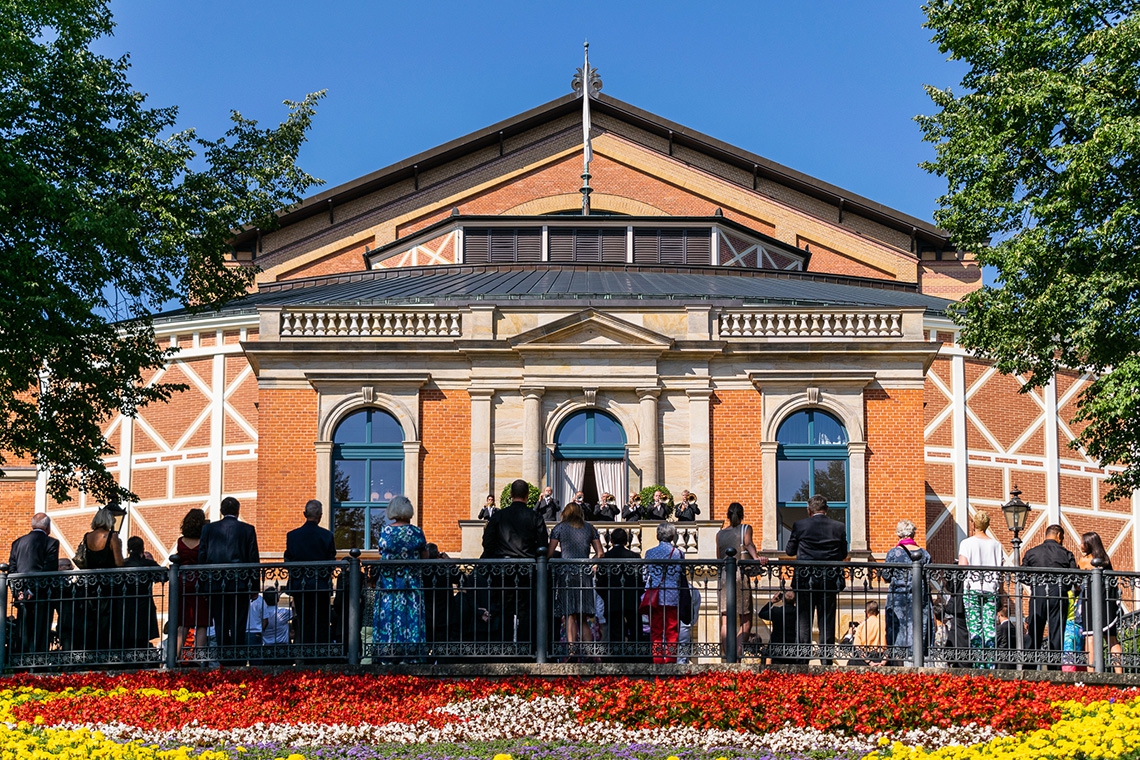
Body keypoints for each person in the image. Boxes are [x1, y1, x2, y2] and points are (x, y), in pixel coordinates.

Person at [481, 479, 549, 650]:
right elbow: (542, 545)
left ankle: (504, 648)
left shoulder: (498, 516)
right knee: (526, 611)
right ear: (527, 496)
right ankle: (526, 649)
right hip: (527, 570)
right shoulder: (535, 517)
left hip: (503, 570)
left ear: (511, 495)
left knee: (503, 609)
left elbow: (487, 542)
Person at [785, 494, 848, 665]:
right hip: (829, 579)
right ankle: (826, 661)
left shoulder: (800, 525)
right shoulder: (839, 527)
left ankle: (803, 659)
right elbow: (843, 554)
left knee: (804, 620)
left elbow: (789, 551)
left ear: (809, 510)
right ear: (826, 510)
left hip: (805, 579)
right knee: (827, 621)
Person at [198, 496, 260, 663]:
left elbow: (202, 558)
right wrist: (254, 587)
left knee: (220, 623)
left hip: (216, 583)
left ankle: (224, 658)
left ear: (221, 511)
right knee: (239, 623)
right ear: (238, 511)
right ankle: (237, 659)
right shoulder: (247, 529)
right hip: (240, 583)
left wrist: (204, 586)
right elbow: (253, 558)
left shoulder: (208, 530)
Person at [546, 500, 604, 660]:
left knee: (569, 613)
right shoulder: (590, 528)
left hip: (566, 574)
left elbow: (549, 553)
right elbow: (600, 553)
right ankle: (590, 651)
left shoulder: (560, 528)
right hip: (584, 574)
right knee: (582, 615)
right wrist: (592, 566)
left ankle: (572, 651)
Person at [373, 495, 429, 656]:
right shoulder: (417, 532)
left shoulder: (386, 531)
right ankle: (411, 654)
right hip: (411, 583)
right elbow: (425, 555)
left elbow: (381, 552)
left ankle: (387, 653)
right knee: (411, 616)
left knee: (388, 615)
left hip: (389, 583)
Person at [1022, 524, 1077, 669]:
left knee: (1034, 630)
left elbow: (1021, 574)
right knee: (1057, 632)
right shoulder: (1066, 553)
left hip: (1039, 593)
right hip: (1058, 594)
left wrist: (1034, 583)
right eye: (1062, 538)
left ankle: (1029, 667)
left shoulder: (1032, 552)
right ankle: (1054, 668)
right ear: (1059, 536)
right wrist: (1064, 585)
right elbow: (1074, 577)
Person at [284, 499, 337, 649]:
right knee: (321, 621)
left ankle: (304, 652)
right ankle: (319, 653)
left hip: (300, 586)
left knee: (302, 619)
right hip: (320, 585)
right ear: (320, 515)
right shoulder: (327, 536)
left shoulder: (293, 535)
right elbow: (331, 560)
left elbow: (288, 559)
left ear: (304, 514)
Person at [8, 513, 60, 655]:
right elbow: (49, 568)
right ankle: (37, 661)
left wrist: (18, 591)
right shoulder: (51, 543)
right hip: (41, 594)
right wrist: (31, 590)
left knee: (23, 629)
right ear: (47, 526)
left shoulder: (18, 542)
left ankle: (21, 661)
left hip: (21, 596)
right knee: (40, 629)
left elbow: (12, 569)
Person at [957, 510, 1004, 661]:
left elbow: (963, 567)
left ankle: (978, 663)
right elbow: (1000, 569)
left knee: (975, 628)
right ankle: (990, 663)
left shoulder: (967, 543)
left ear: (973, 524)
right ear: (988, 525)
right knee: (990, 628)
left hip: (972, 588)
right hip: (991, 589)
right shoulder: (996, 545)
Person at [716, 502, 761, 658]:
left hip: (723, 576)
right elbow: (748, 544)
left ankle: (728, 654)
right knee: (745, 619)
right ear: (742, 515)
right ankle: (737, 653)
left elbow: (718, 557)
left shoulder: (719, 534)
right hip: (739, 574)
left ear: (727, 515)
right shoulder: (745, 528)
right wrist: (756, 558)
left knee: (725, 619)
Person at [77, 507, 125, 653]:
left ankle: (91, 651)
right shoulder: (112, 537)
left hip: (91, 583)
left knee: (92, 619)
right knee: (108, 620)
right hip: (108, 584)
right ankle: (107, 651)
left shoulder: (87, 537)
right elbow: (118, 562)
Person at [1078, 531, 1123, 673]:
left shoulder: (1084, 561)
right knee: (1111, 639)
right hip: (1107, 602)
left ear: (1089, 543)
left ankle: (1092, 673)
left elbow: (1078, 583)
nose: (1080, 545)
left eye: (1082, 542)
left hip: (1091, 601)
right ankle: (1119, 672)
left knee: (1090, 637)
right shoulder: (1105, 560)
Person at [884, 519, 931, 655]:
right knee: (917, 626)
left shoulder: (893, 553)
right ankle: (917, 655)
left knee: (897, 628)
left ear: (899, 534)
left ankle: (898, 654)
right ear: (913, 534)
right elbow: (929, 577)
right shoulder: (924, 554)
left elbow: (886, 576)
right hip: (919, 597)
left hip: (898, 597)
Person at [642, 522, 685, 664]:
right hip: (672, 595)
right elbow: (681, 574)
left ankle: (657, 660)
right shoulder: (678, 553)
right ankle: (671, 660)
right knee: (672, 630)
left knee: (656, 630)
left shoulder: (650, 552)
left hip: (655, 595)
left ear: (657, 536)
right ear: (673, 536)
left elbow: (644, 574)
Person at [597, 528, 642, 661]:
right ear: (627, 541)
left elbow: (600, 582)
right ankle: (636, 656)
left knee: (615, 630)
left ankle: (616, 657)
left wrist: (607, 596)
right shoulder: (635, 556)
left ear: (611, 541)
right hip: (631, 597)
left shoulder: (606, 557)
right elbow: (640, 580)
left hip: (613, 598)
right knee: (635, 628)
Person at [175, 508, 210, 660]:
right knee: (201, 623)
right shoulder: (203, 541)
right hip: (199, 582)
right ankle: (199, 657)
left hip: (183, 582)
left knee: (182, 623)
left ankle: (176, 656)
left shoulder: (180, 541)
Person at [119, 536, 160, 650]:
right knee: (142, 635)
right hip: (144, 602)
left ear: (128, 549)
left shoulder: (122, 564)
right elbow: (163, 576)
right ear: (142, 548)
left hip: (126, 603)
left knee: (127, 634)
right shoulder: (147, 564)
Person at [756, 591, 797, 664]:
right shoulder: (798, 612)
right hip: (793, 647)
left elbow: (761, 614)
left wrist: (772, 602)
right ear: (795, 600)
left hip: (776, 646)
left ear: (782, 599)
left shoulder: (776, 611)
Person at [850, 600, 888, 667]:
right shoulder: (884, 624)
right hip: (881, 656)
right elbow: (889, 647)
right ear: (878, 612)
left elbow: (858, 648)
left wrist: (870, 662)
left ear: (866, 612)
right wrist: (883, 662)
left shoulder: (861, 626)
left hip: (866, 658)